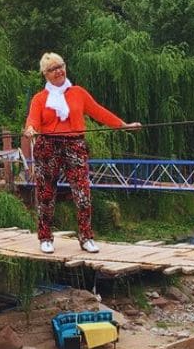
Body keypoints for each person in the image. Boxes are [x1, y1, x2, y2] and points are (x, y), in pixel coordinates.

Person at [24, 52, 141, 254]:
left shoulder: (78, 92)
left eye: (61, 66)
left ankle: (86, 237)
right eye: (52, 69)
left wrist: (123, 125)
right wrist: (31, 129)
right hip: (48, 146)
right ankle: (45, 238)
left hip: (75, 145)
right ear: (45, 74)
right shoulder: (40, 98)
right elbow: (33, 120)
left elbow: (98, 111)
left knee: (83, 194)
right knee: (45, 194)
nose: (58, 71)